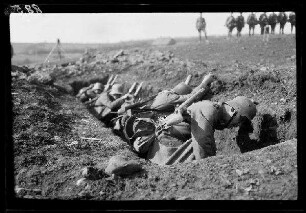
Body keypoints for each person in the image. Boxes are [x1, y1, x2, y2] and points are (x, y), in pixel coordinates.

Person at [124, 94, 257, 165]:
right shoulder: (208, 109)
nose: (238, 125)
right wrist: (210, 166)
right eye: (240, 120)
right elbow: (203, 142)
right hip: (168, 141)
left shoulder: (215, 111)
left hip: (171, 139)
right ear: (233, 110)